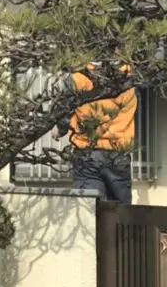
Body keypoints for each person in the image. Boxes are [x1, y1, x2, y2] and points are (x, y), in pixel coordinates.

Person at [53, 63, 137, 204]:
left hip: (87, 152)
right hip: (118, 152)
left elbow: (65, 110)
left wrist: (60, 130)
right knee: (120, 214)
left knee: (88, 208)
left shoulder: (79, 79)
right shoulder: (128, 79)